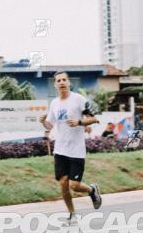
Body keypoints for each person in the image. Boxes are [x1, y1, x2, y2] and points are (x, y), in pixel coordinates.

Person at [38, 70, 102, 222]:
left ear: (69, 82)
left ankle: (92, 190)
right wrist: (42, 121)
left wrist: (79, 122)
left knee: (75, 185)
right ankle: (72, 214)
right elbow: (49, 125)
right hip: (60, 149)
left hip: (77, 150)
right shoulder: (54, 103)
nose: (61, 83)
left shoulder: (79, 100)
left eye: (64, 80)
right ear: (55, 85)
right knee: (63, 183)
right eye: (58, 81)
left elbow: (93, 119)